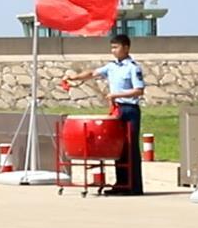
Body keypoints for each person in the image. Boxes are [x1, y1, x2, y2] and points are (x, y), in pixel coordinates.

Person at [62, 33, 145, 195]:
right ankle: (121, 183)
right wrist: (75, 77)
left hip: (129, 110)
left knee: (130, 148)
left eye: (116, 47)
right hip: (117, 109)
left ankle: (133, 186)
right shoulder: (111, 66)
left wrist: (117, 95)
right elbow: (93, 73)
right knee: (118, 148)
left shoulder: (133, 68)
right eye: (112, 47)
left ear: (126, 48)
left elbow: (139, 90)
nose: (113, 51)